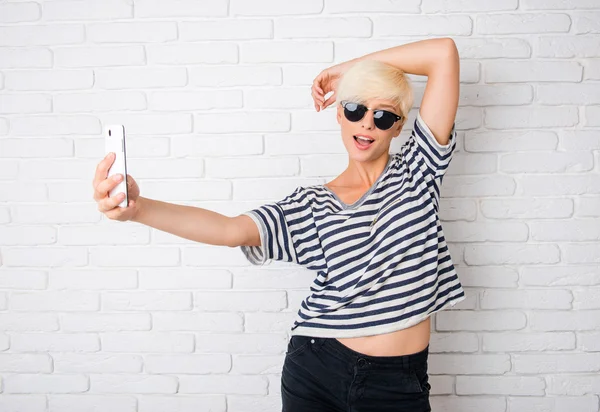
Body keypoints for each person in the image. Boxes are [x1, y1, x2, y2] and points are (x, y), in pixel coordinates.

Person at [93, 37, 465, 412]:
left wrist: (346, 70)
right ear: (339, 114)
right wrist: (139, 210)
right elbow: (230, 230)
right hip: (318, 368)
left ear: (398, 127)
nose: (367, 122)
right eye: (355, 108)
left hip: (399, 382)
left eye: (383, 115)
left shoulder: (419, 171)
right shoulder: (311, 205)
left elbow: (443, 54)